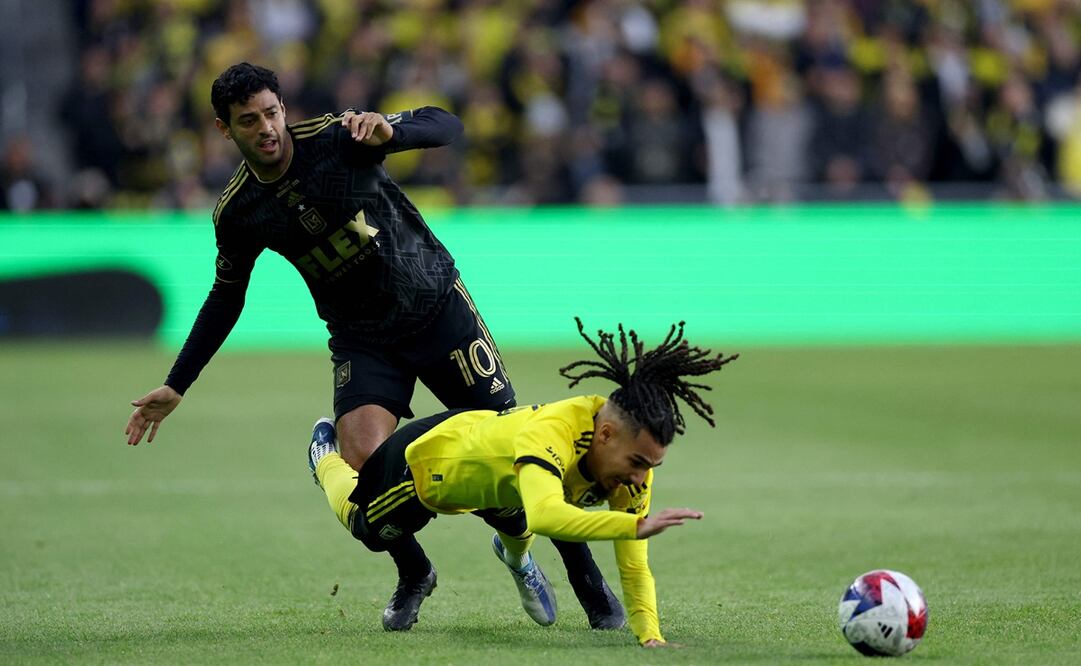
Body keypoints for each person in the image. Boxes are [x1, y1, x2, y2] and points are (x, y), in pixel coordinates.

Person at [122, 62, 622, 630]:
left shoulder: (339, 138)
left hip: (438, 311)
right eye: (248, 121)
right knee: (365, 468)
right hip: (363, 341)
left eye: (271, 113)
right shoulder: (238, 212)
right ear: (224, 129)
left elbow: (445, 124)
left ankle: (586, 587)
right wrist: (178, 383)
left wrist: (392, 130)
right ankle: (415, 571)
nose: (265, 128)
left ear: (283, 108)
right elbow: (225, 297)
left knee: (522, 447)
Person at [308, 318, 739, 645]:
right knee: (365, 525)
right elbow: (547, 516)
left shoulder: (627, 460)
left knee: (515, 510)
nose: (641, 477)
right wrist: (634, 524)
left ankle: (516, 559)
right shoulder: (552, 434)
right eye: (639, 462)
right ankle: (323, 457)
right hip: (429, 466)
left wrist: (650, 636)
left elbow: (633, 563)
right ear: (606, 435)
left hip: (505, 479)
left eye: (652, 466)